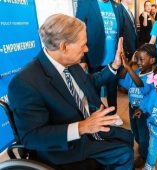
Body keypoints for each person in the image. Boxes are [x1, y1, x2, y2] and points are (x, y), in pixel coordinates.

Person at [8, 14, 133, 170]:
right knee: (124, 153)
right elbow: (31, 137)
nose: (87, 49)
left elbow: (90, 83)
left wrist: (115, 65)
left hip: (89, 125)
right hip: (65, 146)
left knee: (128, 137)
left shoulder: (70, 63)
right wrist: (82, 127)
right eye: (83, 45)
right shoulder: (25, 83)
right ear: (64, 46)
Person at [76, 0, 123, 125]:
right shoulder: (86, 3)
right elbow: (77, 31)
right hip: (93, 57)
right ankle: (97, 116)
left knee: (112, 90)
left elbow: (121, 32)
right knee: (94, 90)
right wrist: (82, 59)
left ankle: (113, 114)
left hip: (113, 59)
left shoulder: (116, 6)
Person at [119, 44, 157, 169]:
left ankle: (144, 155)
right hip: (132, 108)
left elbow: (141, 85)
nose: (139, 62)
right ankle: (141, 147)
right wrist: (129, 62)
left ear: (152, 60)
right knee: (135, 131)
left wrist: (129, 69)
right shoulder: (135, 72)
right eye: (138, 59)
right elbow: (121, 77)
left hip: (144, 111)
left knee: (143, 134)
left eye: (142, 59)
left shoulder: (153, 77)